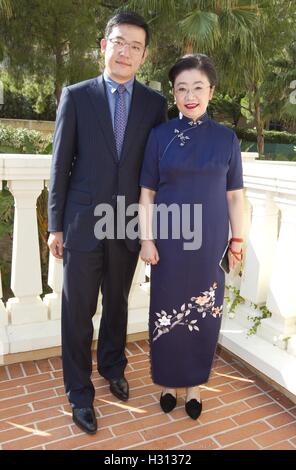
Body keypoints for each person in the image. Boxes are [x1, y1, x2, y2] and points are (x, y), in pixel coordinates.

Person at [47, 11, 167, 434]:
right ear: (105, 45)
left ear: (143, 55)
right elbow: (60, 164)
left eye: (136, 46)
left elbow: (155, 170)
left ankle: (113, 366)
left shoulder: (155, 105)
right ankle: (79, 392)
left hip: (128, 222)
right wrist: (54, 224)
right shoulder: (76, 95)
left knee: (116, 302)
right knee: (77, 310)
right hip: (81, 222)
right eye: (119, 42)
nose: (126, 52)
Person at [139, 54, 244, 420]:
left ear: (211, 91)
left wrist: (238, 240)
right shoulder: (159, 137)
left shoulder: (227, 139)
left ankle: (196, 386)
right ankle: (168, 383)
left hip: (211, 243)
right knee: (165, 312)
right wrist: (147, 239)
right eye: (182, 88)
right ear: (174, 93)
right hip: (168, 243)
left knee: (206, 311)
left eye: (198, 87)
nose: (190, 95)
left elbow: (234, 195)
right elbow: (147, 193)